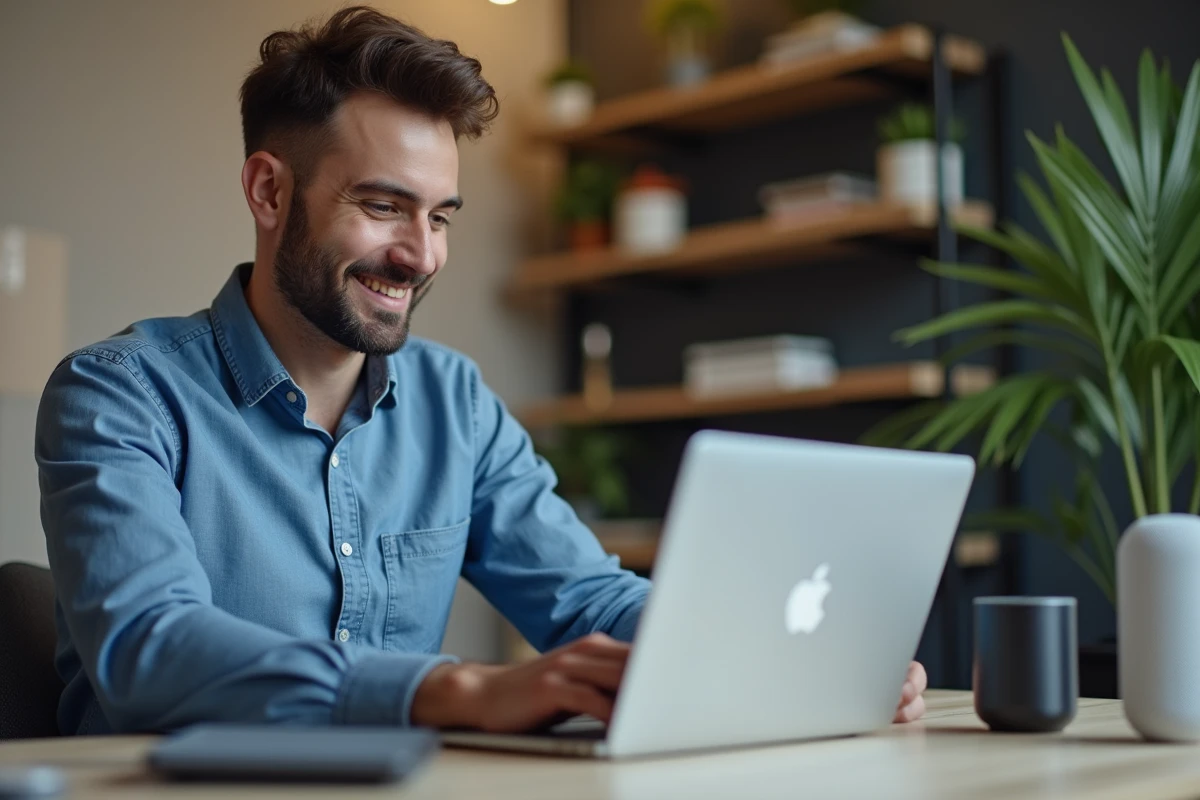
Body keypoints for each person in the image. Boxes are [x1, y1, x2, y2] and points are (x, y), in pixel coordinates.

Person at [35, 6, 928, 737]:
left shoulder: (453, 401)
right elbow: (150, 651)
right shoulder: (119, 393)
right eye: (383, 206)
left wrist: (779, 655)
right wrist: (455, 690)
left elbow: (584, 596)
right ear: (269, 191)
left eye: (441, 217)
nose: (421, 255)